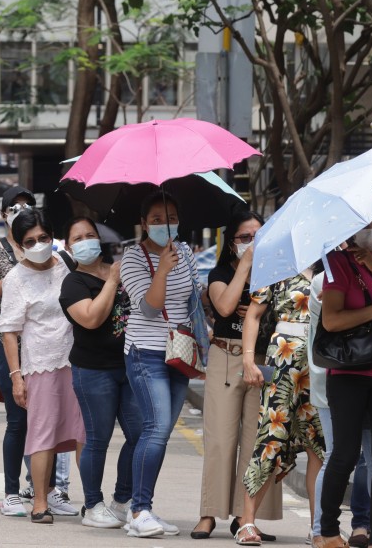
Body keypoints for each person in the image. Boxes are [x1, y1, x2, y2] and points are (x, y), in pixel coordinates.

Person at [190, 211, 283, 541]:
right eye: (245, 237)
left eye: (259, 236)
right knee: (219, 440)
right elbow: (225, 307)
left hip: (264, 361)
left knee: (258, 443)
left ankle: (249, 517)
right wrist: (245, 267)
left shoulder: (276, 272)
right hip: (227, 359)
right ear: (231, 244)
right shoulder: (220, 273)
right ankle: (208, 513)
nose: (253, 243)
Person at [316, 215, 372, 548]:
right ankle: (327, 532)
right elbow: (333, 320)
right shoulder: (337, 263)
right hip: (348, 373)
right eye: (367, 222)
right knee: (345, 454)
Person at [0, 185, 57, 516]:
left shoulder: (49, 249)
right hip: (13, 348)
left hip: (49, 347)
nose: (20, 210)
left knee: (50, 422)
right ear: (4, 214)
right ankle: (11, 491)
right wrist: (10, 280)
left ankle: (44, 490)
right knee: (18, 420)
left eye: (27, 205)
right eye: (13, 206)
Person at [119, 192, 200, 538]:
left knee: (161, 432)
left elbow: (193, 298)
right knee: (156, 426)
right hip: (145, 352)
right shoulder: (132, 258)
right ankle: (138, 510)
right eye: (155, 218)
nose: (164, 224)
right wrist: (163, 270)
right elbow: (149, 308)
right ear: (143, 224)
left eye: (170, 217)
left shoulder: (186, 253)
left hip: (179, 352)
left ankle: (143, 506)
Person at [0, 208, 85, 524]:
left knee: (82, 432)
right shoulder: (15, 278)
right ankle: (39, 502)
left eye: (43, 238)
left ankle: (92, 501)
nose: (38, 244)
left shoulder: (66, 262)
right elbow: (8, 331)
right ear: (20, 244)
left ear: (52, 236)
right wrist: (17, 377)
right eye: (30, 240)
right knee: (42, 435)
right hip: (41, 366)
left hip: (77, 360)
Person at [236, 263, 325, 547]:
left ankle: (319, 526)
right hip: (284, 356)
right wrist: (249, 359)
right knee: (271, 436)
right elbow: (254, 314)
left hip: (322, 357)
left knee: (319, 443)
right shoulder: (279, 265)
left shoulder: (334, 264)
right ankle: (246, 523)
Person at [60, 216, 138, 529]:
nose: (85, 241)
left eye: (89, 235)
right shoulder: (73, 283)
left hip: (131, 365)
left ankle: (122, 500)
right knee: (97, 438)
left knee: (139, 434)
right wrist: (112, 281)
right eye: (77, 238)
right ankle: (92, 505)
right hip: (93, 370)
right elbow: (91, 318)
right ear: (68, 247)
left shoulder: (119, 269)